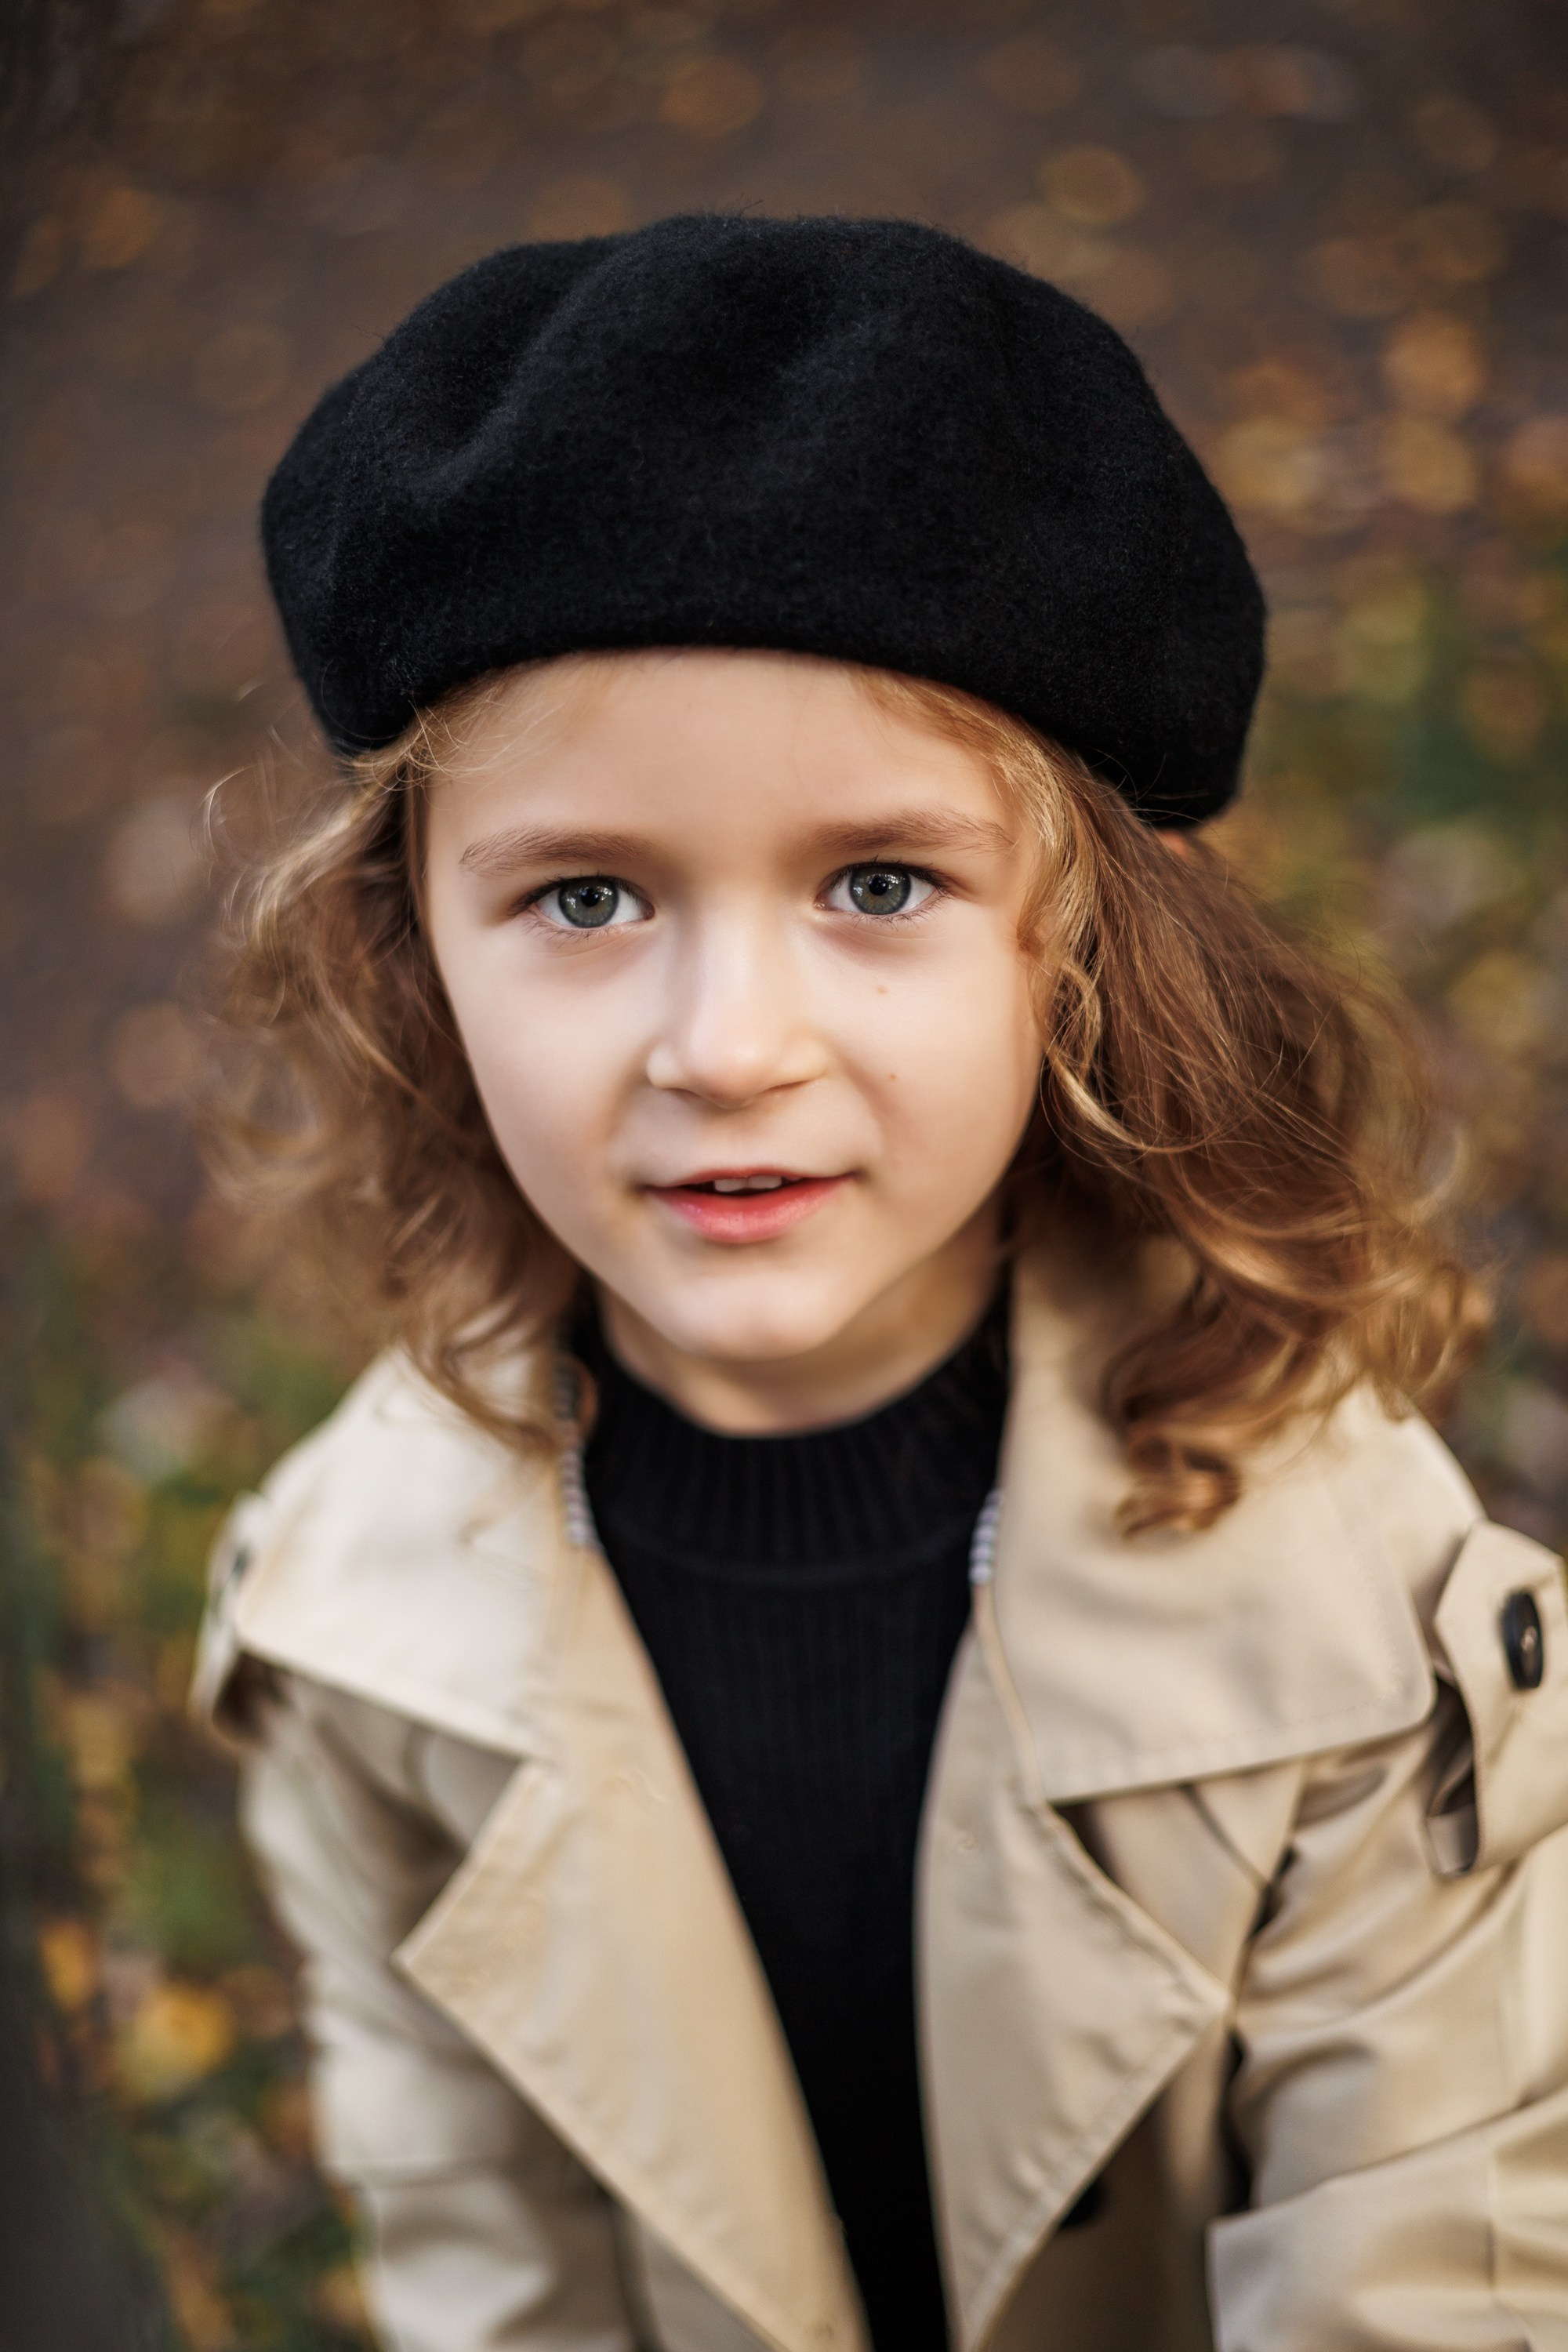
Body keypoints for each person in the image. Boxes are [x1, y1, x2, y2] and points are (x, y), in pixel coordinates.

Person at [194, 215, 1568, 2352]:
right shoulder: (360, 1633)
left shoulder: (1367, 1631)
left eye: (880, 882)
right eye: (582, 895)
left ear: (1087, 941)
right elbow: (493, 2280)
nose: (728, 1042)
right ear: (410, 959)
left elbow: (1427, 2282)